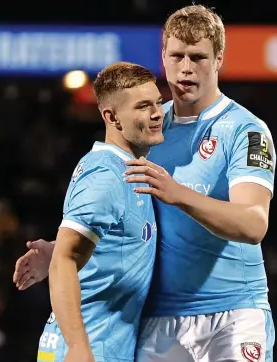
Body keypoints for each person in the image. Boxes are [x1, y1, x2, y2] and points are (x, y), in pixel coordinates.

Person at [14, 5, 277, 362]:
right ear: (163, 56)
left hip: (232, 313)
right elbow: (113, 205)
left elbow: (253, 223)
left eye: (198, 57)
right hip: (158, 318)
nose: (185, 67)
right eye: (176, 55)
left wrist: (178, 194)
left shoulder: (245, 130)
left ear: (218, 60)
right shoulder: (148, 124)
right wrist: (67, 252)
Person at [32, 61, 164, 362]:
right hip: (89, 348)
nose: (157, 113)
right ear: (111, 117)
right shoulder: (106, 177)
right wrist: (79, 348)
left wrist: (55, 251)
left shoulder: (126, 170)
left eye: (158, 102)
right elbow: (65, 261)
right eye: (143, 106)